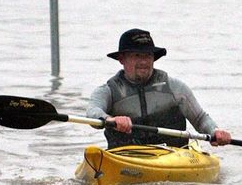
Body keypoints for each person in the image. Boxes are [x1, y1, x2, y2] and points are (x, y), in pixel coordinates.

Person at [87, 28, 232, 149]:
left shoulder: (175, 88)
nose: (144, 61)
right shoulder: (108, 91)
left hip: (174, 155)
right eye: (137, 55)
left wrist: (215, 131)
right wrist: (110, 119)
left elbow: (200, 119)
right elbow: (92, 113)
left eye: (148, 56)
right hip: (126, 157)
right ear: (121, 59)